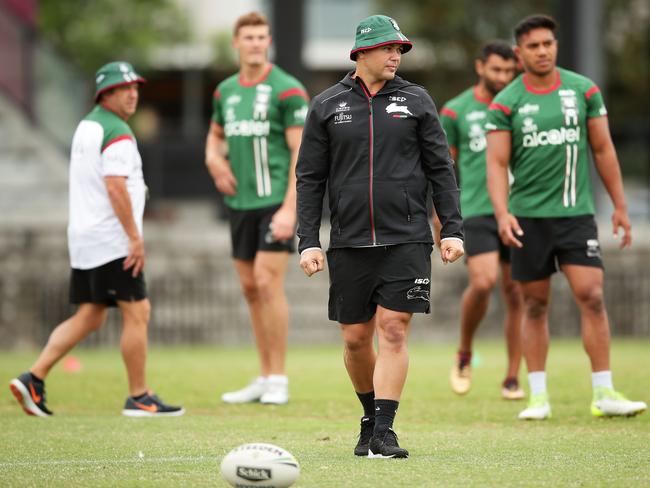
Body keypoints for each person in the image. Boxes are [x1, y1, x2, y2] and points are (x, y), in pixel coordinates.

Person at [297, 15, 464, 458]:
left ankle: (385, 431)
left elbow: (440, 170)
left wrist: (451, 229)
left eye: (400, 50)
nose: (396, 56)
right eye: (388, 48)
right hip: (349, 242)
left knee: (393, 329)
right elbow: (309, 179)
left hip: (408, 238)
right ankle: (369, 417)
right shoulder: (327, 105)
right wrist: (308, 239)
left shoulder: (417, 100)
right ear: (361, 52)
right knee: (355, 337)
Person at [486, 14, 646, 420]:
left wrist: (621, 207)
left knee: (591, 295)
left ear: (555, 46)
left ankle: (604, 391)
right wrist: (502, 214)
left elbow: (604, 149)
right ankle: (538, 396)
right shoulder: (507, 102)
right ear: (520, 53)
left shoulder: (583, 90)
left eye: (548, 43)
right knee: (534, 304)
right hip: (528, 218)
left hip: (576, 215)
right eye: (534, 46)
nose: (543, 51)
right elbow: (496, 162)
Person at [9, 61, 184, 417]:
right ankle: (139, 396)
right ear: (106, 94)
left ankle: (33, 377)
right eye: (124, 88)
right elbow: (116, 187)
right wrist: (134, 239)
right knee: (139, 311)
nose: (133, 94)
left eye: (135, 87)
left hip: (86, 237)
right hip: (112, 239)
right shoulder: (116, 131)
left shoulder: (88, 126)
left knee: (91, 316)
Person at [205, 12, 309, 405]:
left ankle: (279, 378)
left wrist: (289, 210)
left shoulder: (287, 90)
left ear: (269, 42)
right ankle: (264, 376)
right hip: (239, 204)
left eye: (261, 36)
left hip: (274, 203)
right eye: (247, 37)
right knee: (250, 289)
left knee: (267, 283)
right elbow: (213, 138)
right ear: (236, 42)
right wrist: (215, 162)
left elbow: (303, 153)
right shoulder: (224, 92)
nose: (254, 43)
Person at [438, 41, 524, 400]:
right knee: (485, 281)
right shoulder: (456, 111)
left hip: (521, 210)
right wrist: (441, 222)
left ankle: (512, 377)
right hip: (476, 209)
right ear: (480, 67)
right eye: (496, 70)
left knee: (517, 291)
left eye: (509, 71)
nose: (503, 78)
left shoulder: (523, 104)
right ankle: (464, 352)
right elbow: (441, 169)